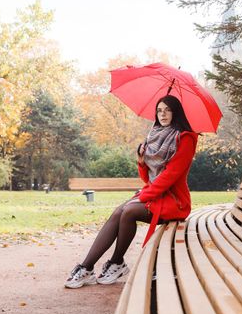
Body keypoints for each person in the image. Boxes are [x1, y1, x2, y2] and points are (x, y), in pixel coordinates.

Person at [64, 95, 199, 289]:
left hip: (174, 201)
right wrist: (141, 161)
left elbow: (170, 176)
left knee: (129, 210)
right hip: (155, 194)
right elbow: (147, 178)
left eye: (167, 110)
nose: (163, 114)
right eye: (159, 110)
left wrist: (142, 198)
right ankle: (87, 267)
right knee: (120, 211)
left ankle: (117, 262)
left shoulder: (186, 138)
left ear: (175, 112)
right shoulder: (155, 135)